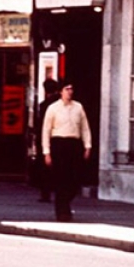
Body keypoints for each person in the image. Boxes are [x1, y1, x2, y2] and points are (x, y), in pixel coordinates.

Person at [41, 81, 91, 221]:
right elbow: (46, 131)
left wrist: (87, 146)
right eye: (67, 89)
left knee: (74, 179)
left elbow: (85, 128)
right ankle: (62, 211)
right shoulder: (53, 108)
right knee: (61, 179)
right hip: (59, 144)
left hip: (74, 144)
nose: (70, 91)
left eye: (71, 88)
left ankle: (65, 204)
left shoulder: (78, 107)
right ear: (60, 92)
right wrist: (47, 152)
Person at [36, 78, 61, 202]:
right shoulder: (60, 104)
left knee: (45, 167)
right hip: (57, 137)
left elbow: (41, 125)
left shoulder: (44, 105)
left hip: (46, 137)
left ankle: (45, 193)